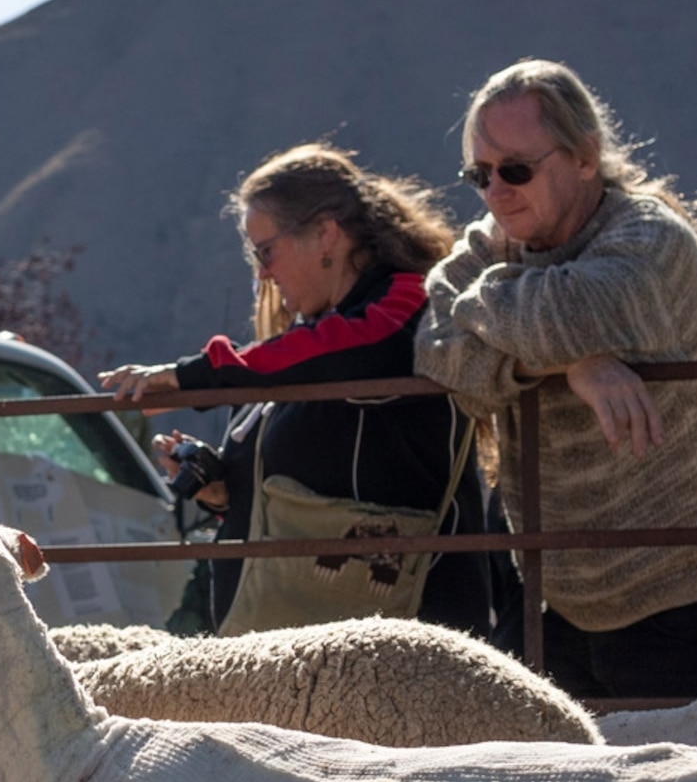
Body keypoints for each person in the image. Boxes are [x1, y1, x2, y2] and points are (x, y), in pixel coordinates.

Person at [413, 60, 697, 699]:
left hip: (683, 596)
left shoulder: (651, 239)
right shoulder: (502, 239)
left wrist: (520, 325)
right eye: (479, 174)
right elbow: (438, 349)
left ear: (584, 157)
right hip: (556, 599)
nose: (495, 193)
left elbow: (573, 311)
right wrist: (566, 360)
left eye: (515, 170)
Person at [104, 144, 493, 637]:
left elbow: (353, 346)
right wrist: (221, 491)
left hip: (410, 630)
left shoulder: (404, 301)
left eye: (266, 250)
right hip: (310, 632)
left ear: (326, 234)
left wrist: (195, 374)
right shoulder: (301, 346)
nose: (262, 272)